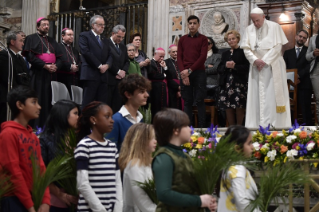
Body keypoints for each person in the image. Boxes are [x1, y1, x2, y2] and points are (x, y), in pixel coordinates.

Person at [152, 108, 217, 211]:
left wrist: (206, 203)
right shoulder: (164, 157)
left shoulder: (184, 155)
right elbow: (164, 194)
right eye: (186, 126)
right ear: (176, 130)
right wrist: (199, 201)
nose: (190, 129)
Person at [0, 85, 50, 212]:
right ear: (20, 105)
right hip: (13, 199)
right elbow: (13, 171)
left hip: (32, 198)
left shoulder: (33, 137)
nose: (39, 107)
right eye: (34, 102)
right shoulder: (8, 134)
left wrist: (45, 201)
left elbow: (41, 168)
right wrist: (29, 206)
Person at [241, 8, 291, 128]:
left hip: (273, 66)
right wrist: (255, 60)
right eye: (253, 21)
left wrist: (264, 61)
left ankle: (276, 124)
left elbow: (278, 47)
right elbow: (246, 49)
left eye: (257, 20)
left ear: (263, 17)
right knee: (256, 95)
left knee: (272, 96)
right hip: (256, 67)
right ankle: (257, 124)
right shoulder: (249, 29)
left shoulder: (275, 27)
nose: (255, 24)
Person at [75, 101, 123, 212]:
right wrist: (100, 209)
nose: (112, 120)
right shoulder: (84, 146)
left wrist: (118, 208)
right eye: (107, 116)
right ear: (93, 119)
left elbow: (117, 181)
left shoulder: (112, 147)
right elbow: (82, 183)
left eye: (111, 116)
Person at [22, 17, 63, 127]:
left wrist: (56, 66)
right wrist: (45, 66)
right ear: (38, 26)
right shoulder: (31, 38)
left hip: (52, 75)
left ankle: (48, 125)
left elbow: (60, 58)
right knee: (39, 98)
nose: (46, 26)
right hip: (38, 73)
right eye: (44, 24)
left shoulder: (52, 40)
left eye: (48, 25)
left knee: (50, 99)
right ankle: (35, 125)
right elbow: (30, 56)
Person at [40, 100, 79, 212]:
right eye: (75, 113)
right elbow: (43, 173)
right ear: (63, 115)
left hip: (74, 200)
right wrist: (61, 194)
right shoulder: (45, 140)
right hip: (53, 201)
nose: (78, 117)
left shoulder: (76, 140)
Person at [217, 125, 259, 212]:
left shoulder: (229, 164)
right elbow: (242, 202)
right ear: (237, 148)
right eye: (249, 143)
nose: (252, 147)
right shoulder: (237, 168)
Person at [106, 74, 151, 152]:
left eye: (146, 91)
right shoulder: (116, 120)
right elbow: (110, 153)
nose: (146, 95)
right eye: (141, 92)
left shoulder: (140, 118)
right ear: (128, 94)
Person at [119, 123, 157, 212]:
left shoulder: (146, 163)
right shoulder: (134, 165)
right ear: (141, 140)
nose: (155, 141)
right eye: (152, 138)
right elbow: (141, 198)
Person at [178, 15, 208, 128]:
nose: (192, 25)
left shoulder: (203, 39)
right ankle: (187, 127)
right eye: (190, 23)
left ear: (198, 25)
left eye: (194, 23)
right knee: (187, 101)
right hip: (185, 73)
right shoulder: (182, 39)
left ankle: (202, 128)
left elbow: (202, 57)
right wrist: (183, 73)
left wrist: (189, 71)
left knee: (200, 100)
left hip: (198, 72)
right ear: (187, 25)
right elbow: (179, 57)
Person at [79, 15, 112, 107]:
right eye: (100, 24)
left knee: (101, 104)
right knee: (88, 104)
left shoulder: (105, 40)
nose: (103, 27)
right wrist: (99, 65)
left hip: (103, 76)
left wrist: (107, 65)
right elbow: (86, 52)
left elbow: (110, 55)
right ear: (93, 25)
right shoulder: (84, 36)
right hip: (90, 74)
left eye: (104, 25)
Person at [218, 30, 250, 126]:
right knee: (228, 106)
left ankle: (239, 127)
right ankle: (232, 127)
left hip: (239, 82)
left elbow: (247, 67)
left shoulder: (243, 52)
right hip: (226, 83)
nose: (231, 41)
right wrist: (226, 66)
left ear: (238, 39)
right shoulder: (225, 54)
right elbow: (219, 68)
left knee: (239, 105)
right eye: (229, 39)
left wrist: (235, 66)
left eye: (233, 39)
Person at [0, 31, 30, 125]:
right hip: (7, 94)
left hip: (18, 93)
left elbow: (25, 75)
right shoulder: (5, 55)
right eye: (21, 41)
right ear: (12, 42)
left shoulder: (20, 58)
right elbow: (6, 77)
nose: (23, 43)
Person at [284, 30, 312, 125]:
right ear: (296, 36)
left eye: (304, 38)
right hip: (290, 86)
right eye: (300, 36)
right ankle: (290, 127)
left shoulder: (309, 52)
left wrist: (298, 75)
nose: (301, 39)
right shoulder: (287, 53)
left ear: (306, 40)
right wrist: (292, 78)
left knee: (305, 108)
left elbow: (309, 66)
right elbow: (285, 68)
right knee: (290, 109)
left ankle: (308, 130)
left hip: (304, 84)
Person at [106, 25, 129, 113]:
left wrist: (123, 71)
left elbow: (127, 61)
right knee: (108, 104)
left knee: (118, 105)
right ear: (113, 33)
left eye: (122, 37)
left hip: (120, 81)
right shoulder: (106, 43)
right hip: (110, 79)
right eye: (119, 36)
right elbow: (106, 60)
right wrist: (118, 71)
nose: (120, 39)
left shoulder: (123, 47)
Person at [57, 28, 81, 96]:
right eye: (69, 35)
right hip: (63, 78)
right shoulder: (58, 47)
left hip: (74, 79)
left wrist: (77, 67)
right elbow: (59, 60)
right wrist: (70, 66)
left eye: (72, 35)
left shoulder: (74, 50)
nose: (72, 37)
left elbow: (79, 61)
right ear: (63, 36)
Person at [148, 47, 168, 118]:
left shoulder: (161, 64)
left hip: (162, 88)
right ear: (155, 54)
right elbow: (153, 75)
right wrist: (164, 75)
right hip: (154, 88)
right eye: (160, 56)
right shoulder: (151, 63)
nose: (162, 58)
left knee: (163, 108)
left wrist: (165, 67)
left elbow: (168, 75)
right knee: (156, 108)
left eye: (163, 56)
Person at [306, 27, 319, 123]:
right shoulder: (313, 39)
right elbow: (307, 56)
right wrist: (313, 54)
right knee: (318, 99)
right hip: (315, 71)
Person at [165, 44, 183, 110]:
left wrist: (181, 87)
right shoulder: (165, 62)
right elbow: (167, 77)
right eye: (173, 52)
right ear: (169, 53)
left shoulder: (182, 62)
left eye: (177, 51)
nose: (176, 53)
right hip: (171, 89)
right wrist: (177, 87)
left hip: (182, 87)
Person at [205, 37, 221, 103]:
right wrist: (207, 66)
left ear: (211, 45)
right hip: (200, 84)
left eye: (208, 43)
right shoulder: (197, 56)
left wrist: (201, 69)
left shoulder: (217, 56)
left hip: (213, 83)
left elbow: (215, 69)